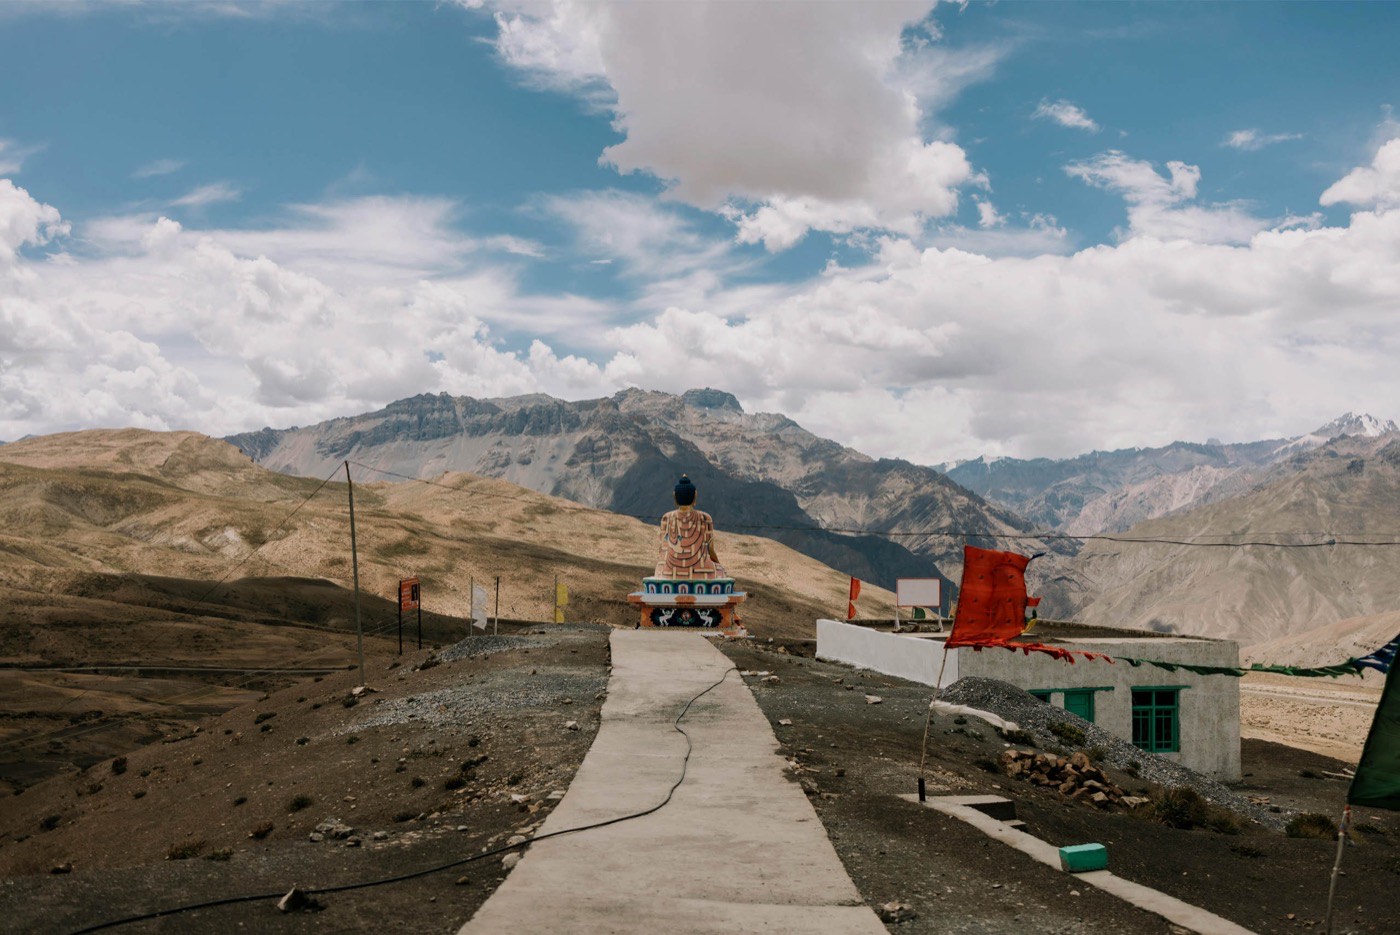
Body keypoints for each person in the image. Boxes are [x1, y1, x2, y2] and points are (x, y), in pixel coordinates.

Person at [655, 474, 726, 579]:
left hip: (669, 570)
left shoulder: (666, 518)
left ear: (675, 497)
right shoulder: (705, 518)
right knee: (720, 572)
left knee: (661, 571)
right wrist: (719, 565)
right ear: (695, 496)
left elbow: (662, 549)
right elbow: (710, 550)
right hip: (702, 569)